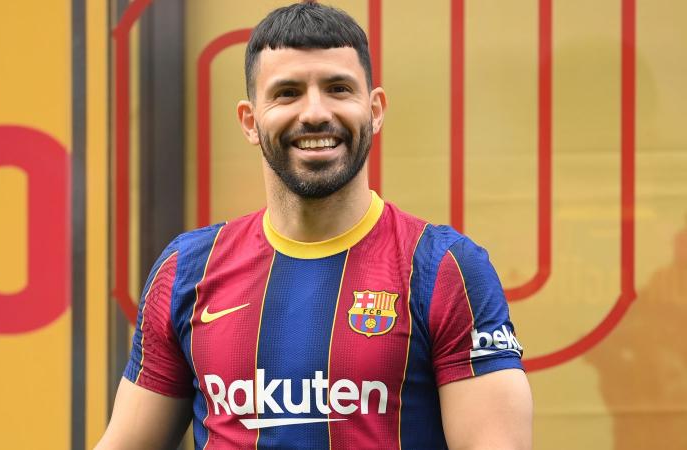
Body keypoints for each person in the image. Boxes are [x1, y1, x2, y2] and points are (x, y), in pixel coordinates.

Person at [96, 2, 532, 449]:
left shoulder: (444, 269)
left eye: (338, 88)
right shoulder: (186, 270)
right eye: (287, 93)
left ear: (375, 110)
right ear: (249, 121)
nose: (315, 113)